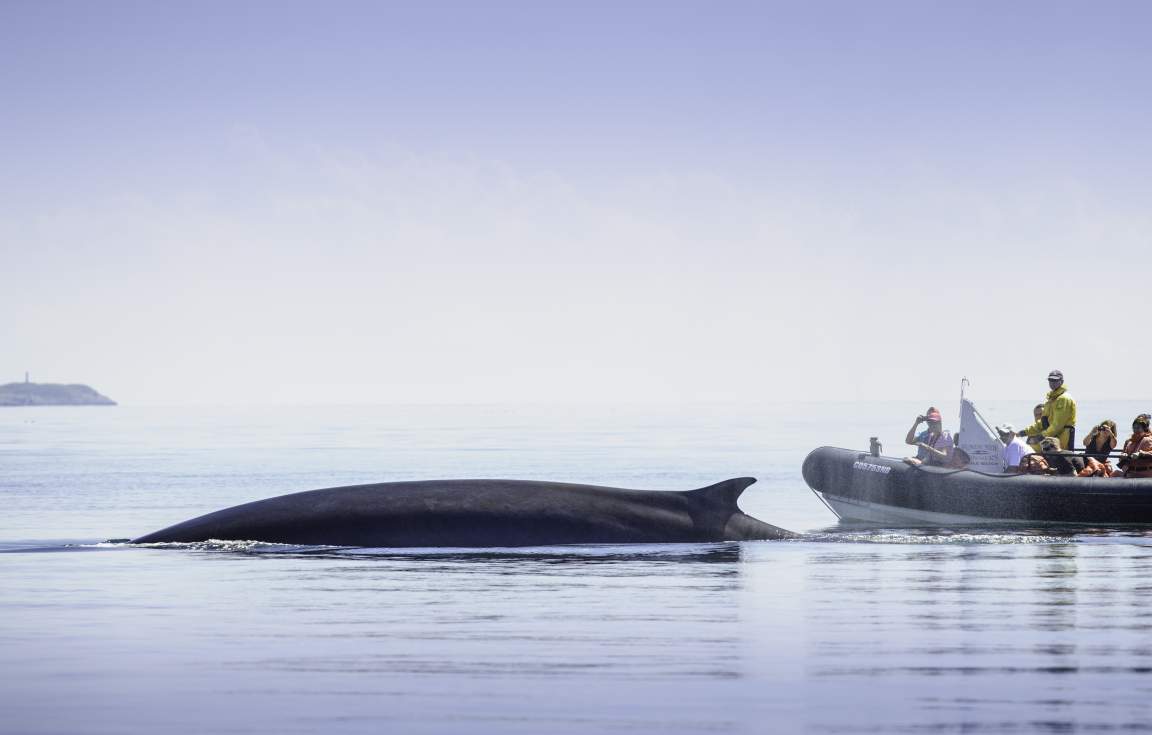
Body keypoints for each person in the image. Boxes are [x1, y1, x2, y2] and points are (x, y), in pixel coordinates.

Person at [1020, 370, 1077, 451]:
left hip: (1062, 438)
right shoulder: (1051, 399)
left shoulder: (1063, 398)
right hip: (1051, 438)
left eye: (1055, 380)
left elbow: (1057, 425)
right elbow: (1043, 422)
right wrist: (1023, 432)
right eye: (1050, 380)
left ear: (1061, 381)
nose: (1052, 382)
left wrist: (1041, 436)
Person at [1119, 414, 1152, 478]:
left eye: (1138, 428)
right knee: (1114, 474)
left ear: (1144, 428)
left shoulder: (1148, 439)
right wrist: (1123, 455)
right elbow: (1121, 459)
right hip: (1131, 472)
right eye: (1134, 428)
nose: (1135, 430)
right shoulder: (1129, 442)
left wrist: (1141, 454)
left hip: (1145, 474)